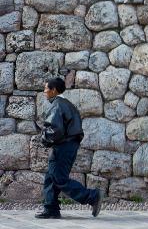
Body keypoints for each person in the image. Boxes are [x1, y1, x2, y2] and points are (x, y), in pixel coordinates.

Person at [36, 78, 102, 219]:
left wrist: (43, 137)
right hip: (68, 145)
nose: (44, 91)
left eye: (46, 88)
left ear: (53, 90)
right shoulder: (66, 104)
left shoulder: (57, 105)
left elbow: (56, 130)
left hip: (63, 147)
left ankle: (92, 196)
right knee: (50, 177)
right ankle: (51, 209)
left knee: (59, 179)